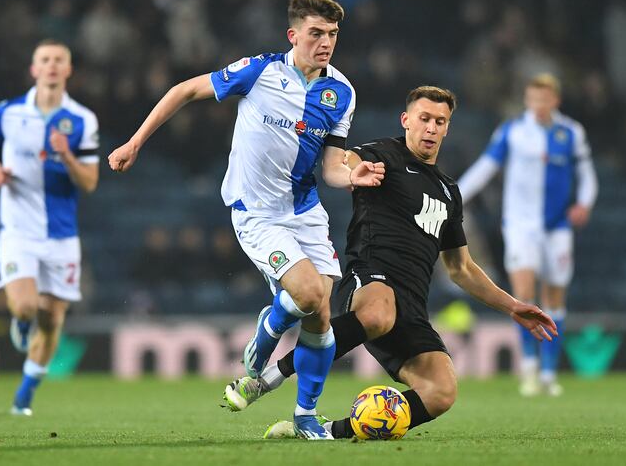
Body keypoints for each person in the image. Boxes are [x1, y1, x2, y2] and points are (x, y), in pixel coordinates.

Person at [108, 0, 384, 440]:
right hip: (256, 213)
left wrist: (355, 173)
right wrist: (136, 142)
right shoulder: (260, 71)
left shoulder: (342, 92)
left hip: (305, 210)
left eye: (332, 34)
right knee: (309, 293)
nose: (325, 42)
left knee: (319, 314)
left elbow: (332, 166)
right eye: (316, 33)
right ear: (293, 34)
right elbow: (185, 89)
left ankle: (305, 417)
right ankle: (272, 323)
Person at [222, 86, 558, 439]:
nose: (431, 127)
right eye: (424, 119)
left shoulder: (448, 192)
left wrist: (514, 306)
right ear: (407, 121)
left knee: (441, 391)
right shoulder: (384, 155)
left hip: (411, 305)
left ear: (447, 129)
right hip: (368, 280)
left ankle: (325, 431)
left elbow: (461, 268)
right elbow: (342, 161)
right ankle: (266, 378)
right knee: (380, 312)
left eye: (439, 121)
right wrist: (351, 171)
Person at [0, 39, 99, 415]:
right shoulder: (9, 113)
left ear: (68, 69)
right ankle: (21, 322)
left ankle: (25, 393)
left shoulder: (82, 120)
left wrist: (66, 157)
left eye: (59, 59)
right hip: (18, 231)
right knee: (26, 306)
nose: (52, 65)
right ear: (34, 69)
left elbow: (89, 182)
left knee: (52, 318)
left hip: (61, 236)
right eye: (45, 60)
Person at [457, 73, 598, 396]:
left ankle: (549, 372)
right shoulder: (513, 131)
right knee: (524, 295)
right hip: (520, 226)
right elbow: (485, 167)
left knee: (555, 299)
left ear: (554, 100)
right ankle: (530, 370)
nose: (537, 105)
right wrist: (456, 196)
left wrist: (585, 204)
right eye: (532, 99)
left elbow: (587, 175)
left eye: (543, 99)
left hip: (557, 228)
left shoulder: (571, 133)